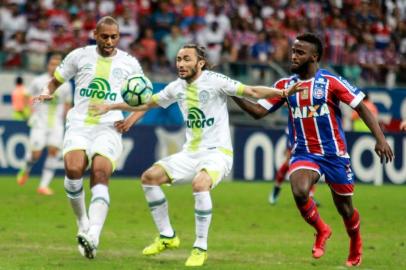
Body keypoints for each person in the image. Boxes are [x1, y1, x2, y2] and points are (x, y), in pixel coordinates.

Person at [89, 44, 303, 267]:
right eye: (179, 59)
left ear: (200, 63)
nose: (181, 64)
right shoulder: (176, 88)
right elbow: (148, 103)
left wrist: (282, 93)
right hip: (190, 153)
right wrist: (114, 108)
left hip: (217, 153)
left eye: (187, 59)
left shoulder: (216, 81)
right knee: (149, 178)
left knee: (200, 184)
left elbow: (252, 92)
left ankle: (200, 247)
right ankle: (167, 236)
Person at [233, 33, 393, 267]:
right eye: (293, 51)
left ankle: (355, 242)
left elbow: (362, 106)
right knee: (299, 190)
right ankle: (322, 230)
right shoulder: (285, 86)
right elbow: (259, 111)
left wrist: (380, 139)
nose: (293, 55)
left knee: (345, 209)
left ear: (314, 56)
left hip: (334, 154)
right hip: (304, 153)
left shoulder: (330, 81)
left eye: (299, 52)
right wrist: (232, 91)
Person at [33, 16, 145, 259]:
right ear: (95, 34)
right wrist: (46, 92)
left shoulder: (130, 64)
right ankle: (82, 221)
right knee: (73, 170)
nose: (109, 41)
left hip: (109, 126)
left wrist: (130, 120)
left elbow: (145, 100)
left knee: (100, 173)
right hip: (79, 124)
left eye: (114, 36)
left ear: (119, 36)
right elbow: (54, 82)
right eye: (104, 36)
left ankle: (93, 234)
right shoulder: (79, 55)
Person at [16, 54, 72, 195]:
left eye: (58, 64)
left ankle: (43, 186)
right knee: (36, 154)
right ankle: (26, 167)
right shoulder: (38, 81)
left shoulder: (66, 84)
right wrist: (30, 111)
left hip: (57, 124)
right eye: (52, 63)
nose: (55, 67)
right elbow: (26, 96)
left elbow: (67, 104)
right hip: (39, 123)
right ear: (48, 65)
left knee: (54, 152)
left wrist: (68, 120)